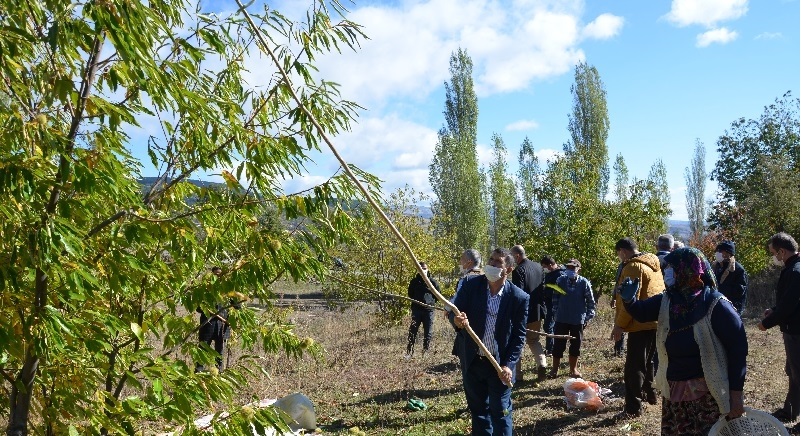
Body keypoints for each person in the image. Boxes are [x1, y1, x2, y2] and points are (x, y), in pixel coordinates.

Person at [621, 247, 747, 434]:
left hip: (708, 395)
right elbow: (642, 312)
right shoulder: (669, 300)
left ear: (686, 269)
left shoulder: (715, 304)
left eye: (671, 267)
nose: (667, 272)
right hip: (675, 391)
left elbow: (738, 349)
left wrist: (736, 393)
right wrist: (629, 300)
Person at [450, 248, 529, 436]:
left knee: (501, 411)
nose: (492, 265)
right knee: (478, 412)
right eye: (491, 260)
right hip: (472, 360)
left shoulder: (519, 298)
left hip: (499, 365)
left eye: (498, 262)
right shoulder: (471, 285)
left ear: (508, 269)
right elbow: (455, 311)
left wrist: (509, 365)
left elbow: (518, 335)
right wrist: (457, 321)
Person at [610, 238, 664, 419]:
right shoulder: (653, 264)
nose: (619, 257)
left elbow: (628, 300)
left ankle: (633, 408)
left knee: (633, 367)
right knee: (648, 361)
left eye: (618, 253)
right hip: (654, 321)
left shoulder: (633, 267)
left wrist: (619, 325)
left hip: (639, 322)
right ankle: (650, 395)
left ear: (623, 251)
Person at [759, 233, 800, 426]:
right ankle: (791, 410)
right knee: (794, 372)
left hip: (796, 331)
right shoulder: (794, 269)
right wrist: (773, 310)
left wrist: (766, 323)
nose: (774, 257)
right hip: (794, 329)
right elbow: (789, 301)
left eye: (774, 253)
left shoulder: (795, 272)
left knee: (798, 373)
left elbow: (789, 306)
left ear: (782, 251)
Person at [549, 259, 595, 379]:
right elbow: (555, 298)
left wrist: (587, 318)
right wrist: (555, 314)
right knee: (558, 344)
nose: (570, 270)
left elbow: (591, 302)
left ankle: (573, 369)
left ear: (578, 269)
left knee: (575, 345)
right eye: (568, 267)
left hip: (577, 319)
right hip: (561, 318)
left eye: (573, 268)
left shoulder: (584, 283)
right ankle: (554, 369)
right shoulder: (560, 280)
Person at [511, 245, 548, 381]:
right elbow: (543, 289)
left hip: (523, 313)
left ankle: (518, 375)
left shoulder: (518, 270)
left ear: (517, 256)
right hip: (537, 311)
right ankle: (542, 364)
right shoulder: (539, 267)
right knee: (533, 340)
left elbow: (518, 294)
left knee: (517, 342)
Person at [196, 266, 241, 372]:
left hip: (222, 326)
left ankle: (219, 373)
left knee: (220, 352)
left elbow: (238, 307)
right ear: (212, 275)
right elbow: (199, 308)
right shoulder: (206, 289)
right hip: (207, 325)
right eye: (216, 275)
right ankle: (199, 372)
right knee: (203, 349)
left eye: (220, 275)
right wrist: (208, 309)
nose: (218, 277)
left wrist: (236, 295)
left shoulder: (228, 290)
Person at [450, 249, 484, 359]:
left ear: (469, 262)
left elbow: (457, 299)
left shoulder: (466, 279)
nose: (460, 262)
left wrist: (447, 308)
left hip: (467, 319)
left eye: (462, 259)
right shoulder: (486, 276)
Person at [406, 261, 441, 357]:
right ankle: (409, 352)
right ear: (418, 270)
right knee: (413, 331)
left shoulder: (433, 282)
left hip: (429, 310)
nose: (423, 270)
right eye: (421, 269)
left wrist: (430, 303)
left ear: (428, 269)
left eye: (425, 268)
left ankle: (425, 352)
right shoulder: (414, 282)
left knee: (428, 332)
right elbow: (410, 293)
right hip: (416, 310)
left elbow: (438, 295)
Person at [712, 241, 748, 315]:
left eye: (720, 251)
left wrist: (720, 291)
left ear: (728, 253)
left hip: (733, 309)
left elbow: (739, 291)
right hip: (718, 306)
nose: (717, 253)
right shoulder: (716, 267)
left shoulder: (738, 270)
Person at [540, 256, 565, 357]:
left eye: (545, 266)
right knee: (551, 326)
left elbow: (560, 290)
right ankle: (552, 348)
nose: (544, 269)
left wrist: (547, 289)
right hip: (549, 304)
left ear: (550, 265)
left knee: (548, 326)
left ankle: (550, 349)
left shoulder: (560, 274)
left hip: (555, 305)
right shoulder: (552, 273)